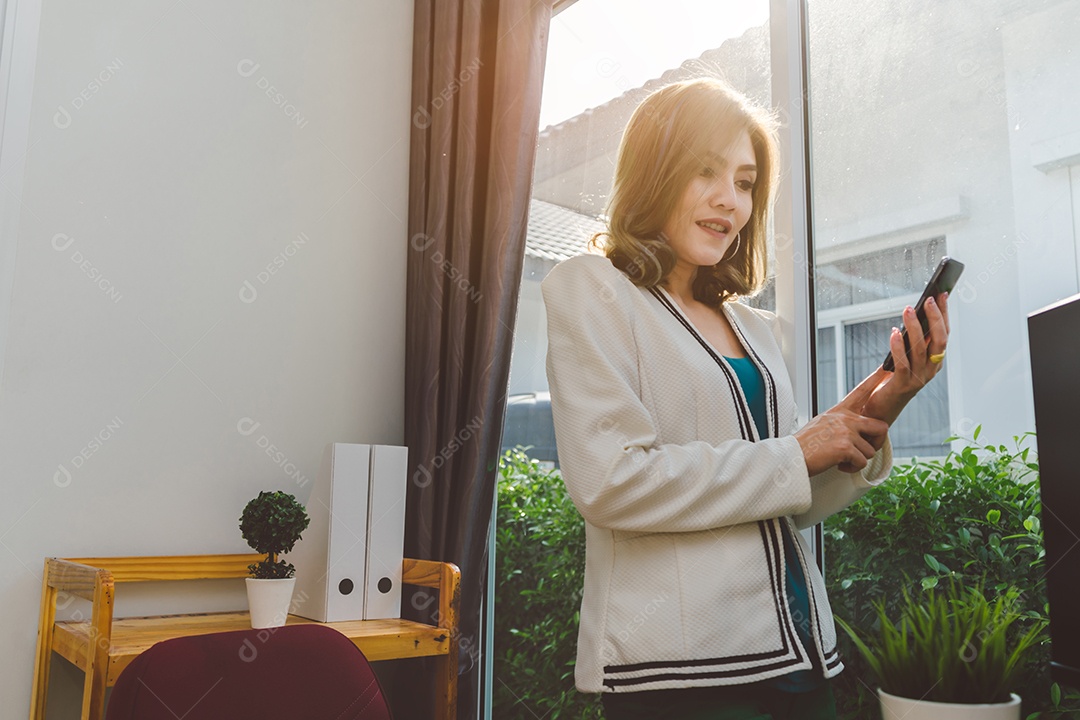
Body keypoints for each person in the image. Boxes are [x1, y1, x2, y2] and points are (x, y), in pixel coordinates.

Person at [541, 77, 950, 720]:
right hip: (683, 678)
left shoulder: (751, 327)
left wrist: (890, 396)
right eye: (705, 171)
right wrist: (794, 452)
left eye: (745, 181)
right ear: (654, 173)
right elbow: (610, 481)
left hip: (800, 658)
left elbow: (793, 497)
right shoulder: (592, 289)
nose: (729, 200)